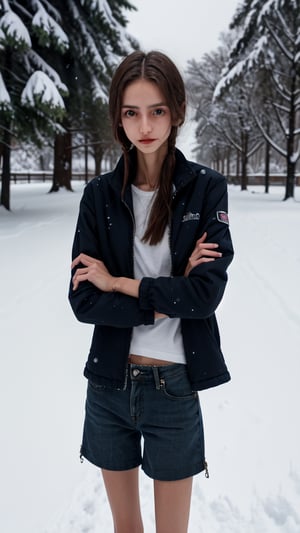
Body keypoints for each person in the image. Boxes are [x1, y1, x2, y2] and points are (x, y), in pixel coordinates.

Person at [69, 50, 234, 533]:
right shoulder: (98, 195)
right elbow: (83, 300)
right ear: (118, 118)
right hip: (109, 384)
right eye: (131, 112)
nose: (145, 124)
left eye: (157, 110)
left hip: (174, 387)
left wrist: (120, 283)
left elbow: (204, 296)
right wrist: (166, 298)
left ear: (177, 111)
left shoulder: (206, 189)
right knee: (126, 529)